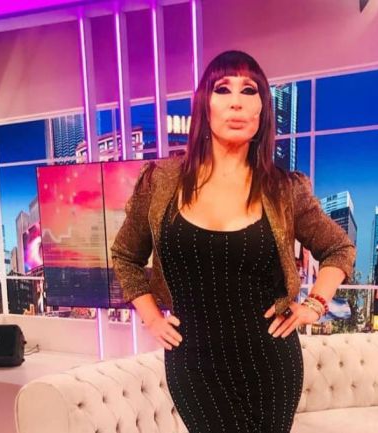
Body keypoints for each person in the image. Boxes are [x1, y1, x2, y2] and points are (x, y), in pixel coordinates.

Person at [111, 50, 355, 433]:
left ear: (262, 109)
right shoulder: (160, 181)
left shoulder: (284, 189)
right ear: (204, 105)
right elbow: (125, 255)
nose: (236, 102)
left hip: (269, 361)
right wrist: (152, 318)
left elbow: (339, 248)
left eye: (249, 90)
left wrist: (314, 304)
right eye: (223, 89)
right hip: (193, 363)